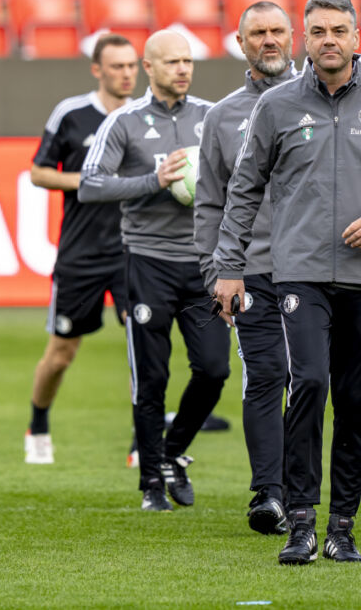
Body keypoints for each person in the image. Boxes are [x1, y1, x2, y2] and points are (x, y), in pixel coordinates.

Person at [213, 0, 361, 564]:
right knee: (309, 382)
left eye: (339, 30)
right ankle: (300, 523)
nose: (329, 40)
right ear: (305, 40)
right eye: (317, 31)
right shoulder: (278, 107)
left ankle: (343, 524)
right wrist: (228, 266)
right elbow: (243, 188)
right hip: (300, 273)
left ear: (357, 37)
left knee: (356, 399)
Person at [79, 30, 230, 512]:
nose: (183, 69)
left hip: (205, 264)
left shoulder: (214, 116)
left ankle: (173, 453)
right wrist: (153, 180)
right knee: (151, 378)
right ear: (149, 67)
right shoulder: (124, 121)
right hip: (148, 262)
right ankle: (150, 485)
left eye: (188, 61)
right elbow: (89, 184)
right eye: (172, 62)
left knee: (214, 369)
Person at [24, 34, 138, 465]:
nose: (126, 73)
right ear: (98, 70)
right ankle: (37, 423)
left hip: (134, 252)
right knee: (61, 354)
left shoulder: (147, 117)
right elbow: (38, 172)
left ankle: (141, 440)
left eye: (132, 65)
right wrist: (89, 184)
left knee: (142, 345)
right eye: (117, 66)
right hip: (81, 253)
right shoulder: (71, 114)